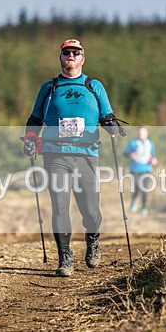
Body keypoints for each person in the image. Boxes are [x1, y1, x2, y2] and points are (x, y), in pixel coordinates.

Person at [22, 39, 122, 277]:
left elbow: (108, 115)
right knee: (59, 206)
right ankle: (65, 258)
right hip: (55, 155)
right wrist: (29, 139)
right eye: (67, 52)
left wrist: (111, 125)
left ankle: (93, 239)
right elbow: (34, 120)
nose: (71, 56)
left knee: (90, 210)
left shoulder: (93, 86)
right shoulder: (49, 88)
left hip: (87, 155)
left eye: (76, 52)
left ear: (82, 58)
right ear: (61, 57)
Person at [123, 126, 157, 215]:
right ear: (138, 133)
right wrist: (130, 154)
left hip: (147, 169)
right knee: (137, 188)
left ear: (147, 134)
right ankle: (134, 202)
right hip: (135, 169)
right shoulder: (133, 143)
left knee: (145, 189)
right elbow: (125, 152)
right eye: (140, 133)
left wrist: (153, 160)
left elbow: (152, 156)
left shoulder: (150, 143)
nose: (141, 134)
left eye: (143, 133)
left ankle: (144, 208)